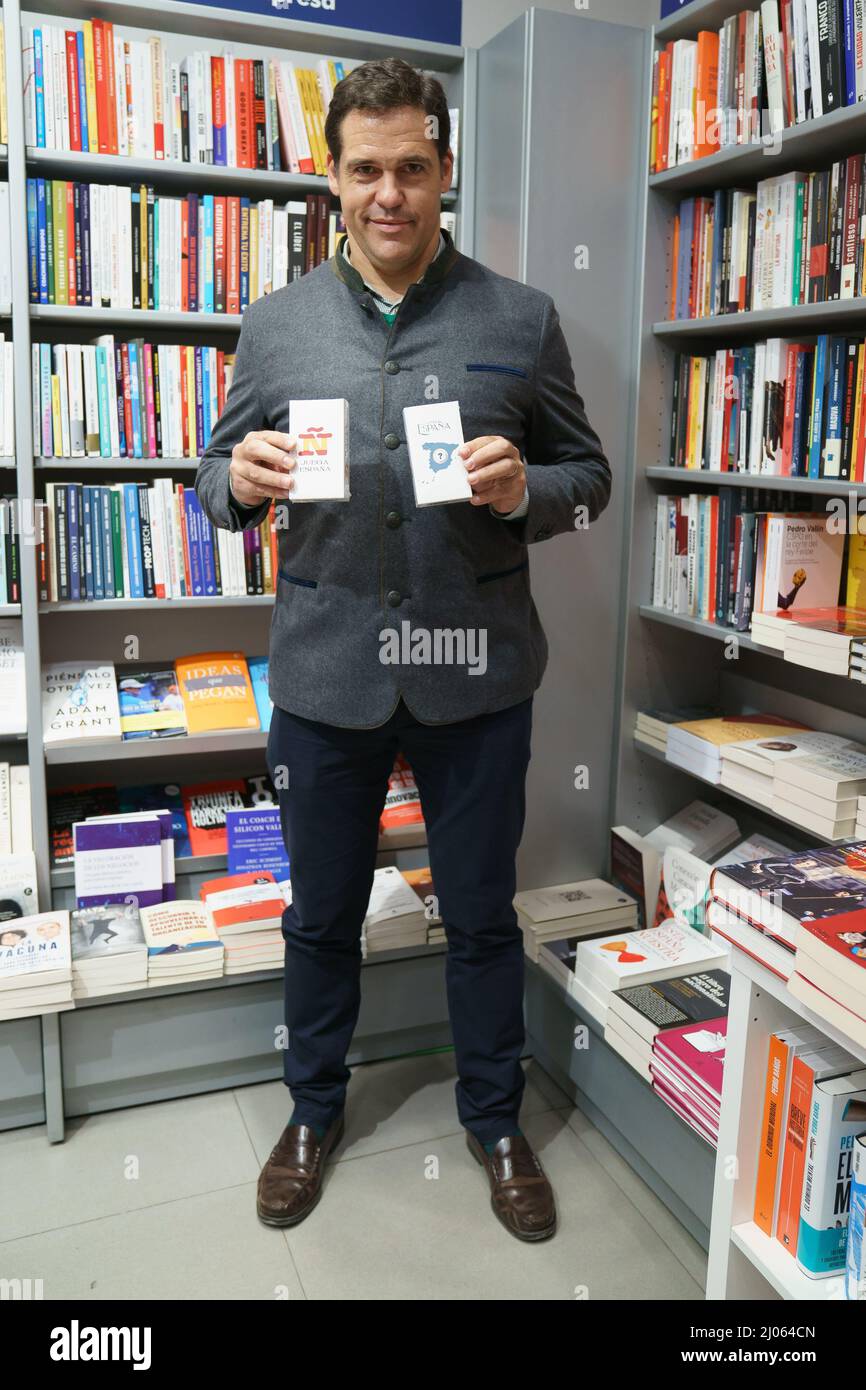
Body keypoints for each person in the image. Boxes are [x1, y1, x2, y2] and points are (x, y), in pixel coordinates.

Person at [196, 57, 611, 1243]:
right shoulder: (274, 327)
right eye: (365, 170)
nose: (390, 194)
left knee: (480, 914)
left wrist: (530, 485)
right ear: (333, 178)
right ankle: (312, 1112)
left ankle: (494, 1121)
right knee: (318, 915)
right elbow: (207, 484)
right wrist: (237, 478)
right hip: (324, 679)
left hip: (476, 680)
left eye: (413, 169)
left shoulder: (518, 318)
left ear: (444, 171)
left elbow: (589, 484)